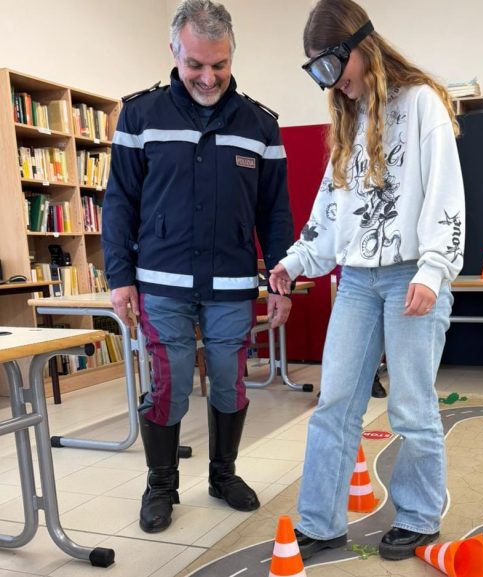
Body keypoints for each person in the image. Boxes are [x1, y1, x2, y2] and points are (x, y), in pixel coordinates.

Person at [269, 0, 465, 561]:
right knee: (335, 403)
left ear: (361, 46)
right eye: (318, 73)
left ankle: (420, 515)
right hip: (355, 280)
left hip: (412, 274)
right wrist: (295, 260)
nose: (332, 83)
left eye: (333, 67)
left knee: (410, 404)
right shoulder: (346, 122)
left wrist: (433, 270)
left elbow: (445, 196)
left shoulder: (422, 103)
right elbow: (331, 218)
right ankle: (321, 522)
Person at [102, 0, 294, 533]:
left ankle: (222, 474)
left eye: (220, 65)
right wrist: (119, 278)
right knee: (169, 384)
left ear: (232, 56)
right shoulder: (140, 116)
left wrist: (281, 280)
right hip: (161, 283)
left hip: (233, 285)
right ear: (174, 52)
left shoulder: (261, 124)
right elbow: (119, 202)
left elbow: (276, 213)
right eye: (195, 65)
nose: (208, 78)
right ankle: (161, 484)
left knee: (232, 383)